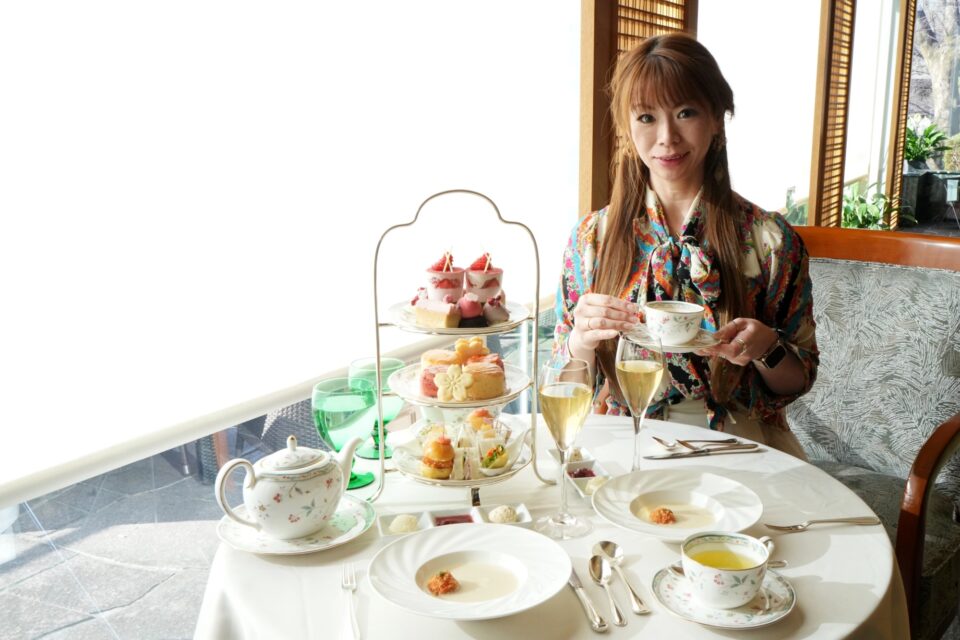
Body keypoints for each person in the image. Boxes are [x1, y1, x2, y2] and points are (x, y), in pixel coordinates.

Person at [552, 33, 818, 458]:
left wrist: (766, 348)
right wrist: (581, 339)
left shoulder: (770, 241)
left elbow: (798, 379)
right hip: (622, 442)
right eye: (646, 117)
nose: (667, 137)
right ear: (627, 128)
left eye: (685, 112)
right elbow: (564, 389)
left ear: (717, 119)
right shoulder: (592, 240)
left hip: (738, 447)